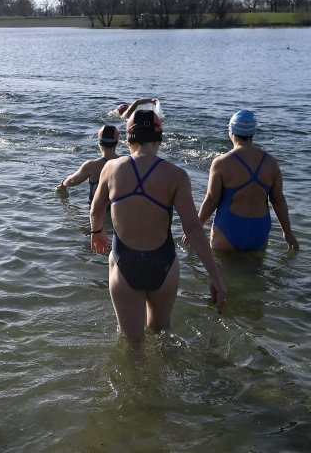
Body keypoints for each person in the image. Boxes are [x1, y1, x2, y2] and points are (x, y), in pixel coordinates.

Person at [90, 110, 227, 343]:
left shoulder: (111, 168)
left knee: (131, 343)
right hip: (163, 264)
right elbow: (193, 229)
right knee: (163, 335)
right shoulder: (176, 176)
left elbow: (95, 211)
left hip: (125, 263)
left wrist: (97, 232)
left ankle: (136, 379)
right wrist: (216, 278)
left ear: (128, 139)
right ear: (160, 139)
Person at [196, 110, 299, 251]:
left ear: (231, 131)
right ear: (253, 133)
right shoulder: (271, 163)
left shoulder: (221, 163)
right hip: (259, 232)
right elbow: (278, 200)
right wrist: (288, 234)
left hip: (228, 229)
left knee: (222, 271)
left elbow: (211, 200)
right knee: (255, 272)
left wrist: (195, 228)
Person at [58, 125, 119, 204]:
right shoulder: (126, 163)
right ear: (116, 143)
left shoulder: (92, 165)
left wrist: (63, 184)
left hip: (97, 211)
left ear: (100, 144)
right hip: (119, 210)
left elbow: (72, 181)